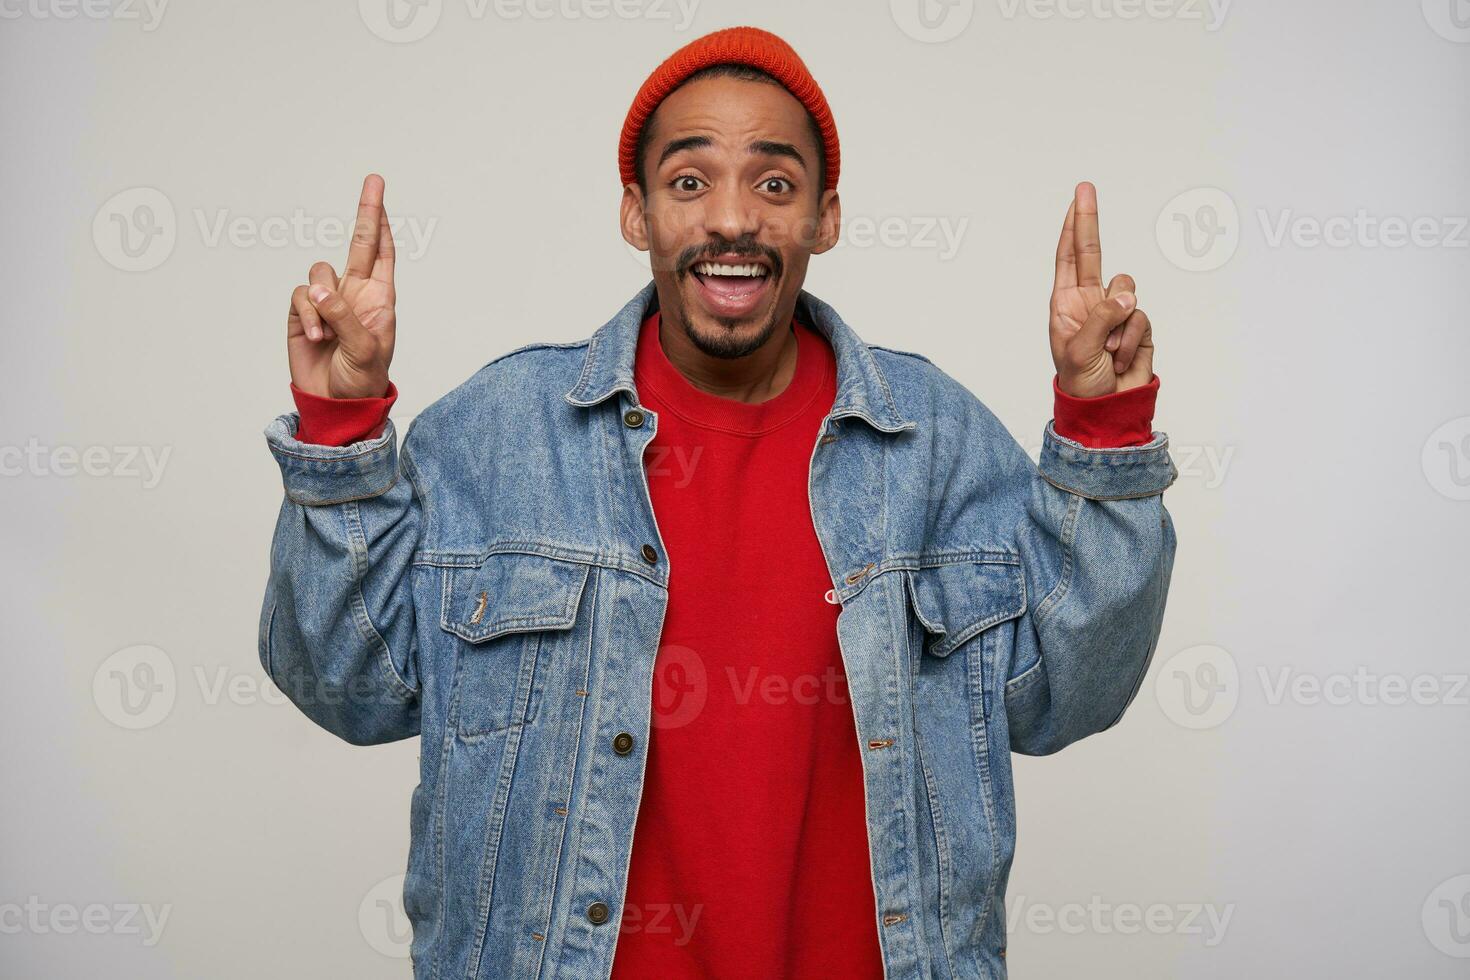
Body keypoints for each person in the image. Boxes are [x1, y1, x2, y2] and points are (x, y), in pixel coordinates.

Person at [261, 25, 1178, 980]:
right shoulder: (494, 437)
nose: (732, 220)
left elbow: (1060, 699)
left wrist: (1101, 434)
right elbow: (351, 689)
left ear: (825, 218)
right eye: (689, 181)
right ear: (637, 213)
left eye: (774, 185)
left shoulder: (936, 442)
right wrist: (340, 430)